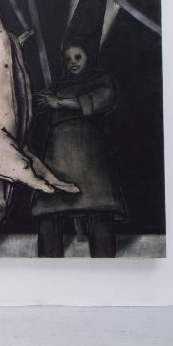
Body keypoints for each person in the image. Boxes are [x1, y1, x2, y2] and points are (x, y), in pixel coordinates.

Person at [32, 45, 127, 257]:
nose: (73, 62)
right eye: (68, 59)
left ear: (87, 58)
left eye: (77, 57)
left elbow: (102, 98)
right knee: (49, 210)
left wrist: (60, 103)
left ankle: (105, 267)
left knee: (99, 208)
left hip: (90, 153)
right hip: (58, 154)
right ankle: (47, 267)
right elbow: (37, 103)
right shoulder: (58, 87)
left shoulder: (101, 80)